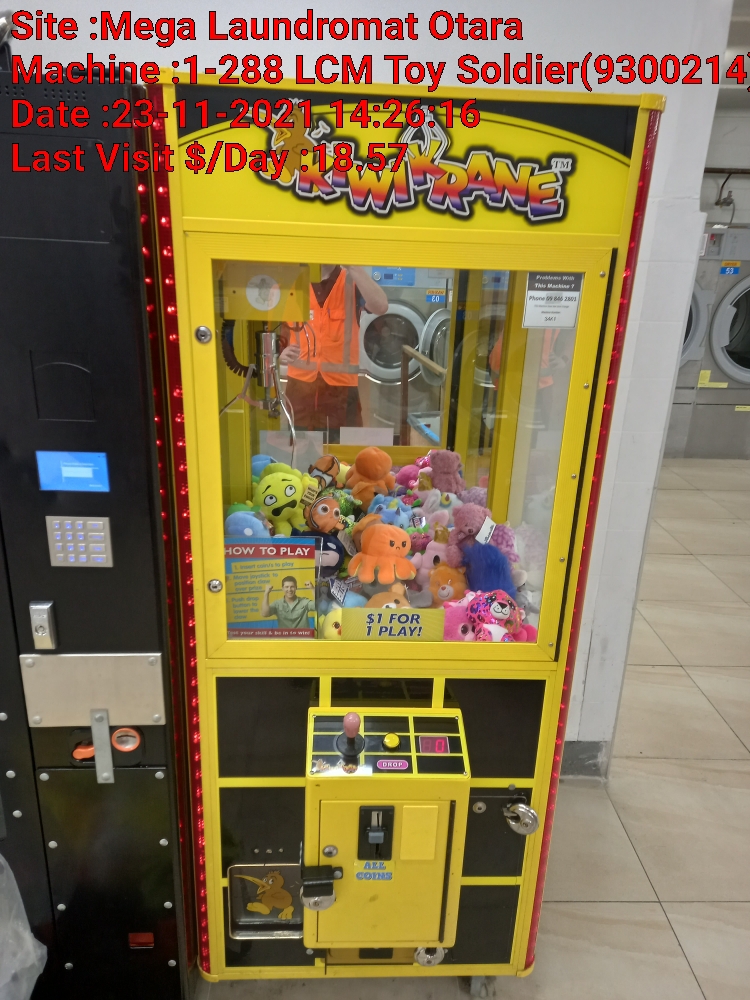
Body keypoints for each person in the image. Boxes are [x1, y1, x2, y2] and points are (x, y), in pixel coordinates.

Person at [279, 265, 388, 437]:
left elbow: (381, 306)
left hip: (341, 390)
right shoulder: (292, 281)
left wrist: (352, 265)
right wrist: (278, 352)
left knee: (343, 448)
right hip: (300, 388)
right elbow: (273, 321)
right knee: (300, 446)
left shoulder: (352, 281)